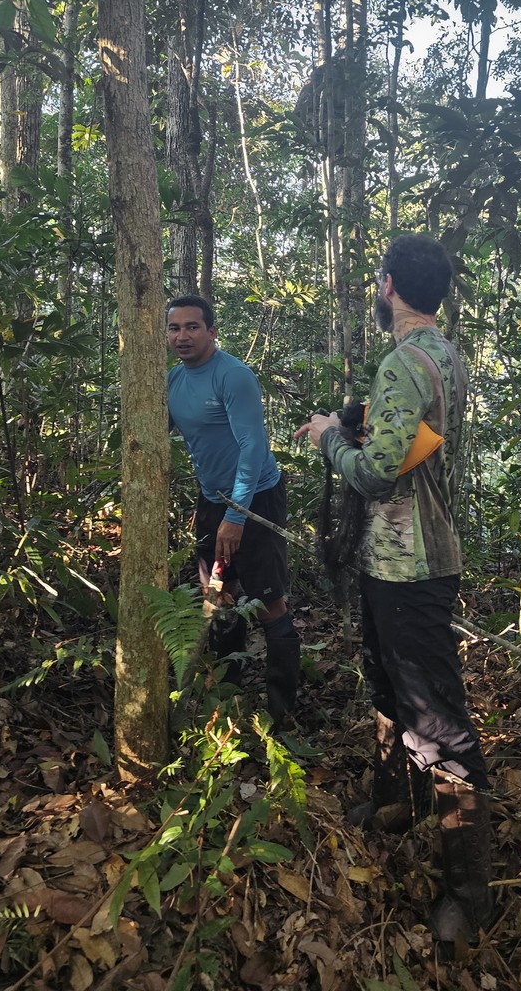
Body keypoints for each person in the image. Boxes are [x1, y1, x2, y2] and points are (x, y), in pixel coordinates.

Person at [295, 234, 494, 945]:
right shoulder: (442, 353)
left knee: (437, 721)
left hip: (411, 567)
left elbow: (378, 472)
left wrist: (327, 437)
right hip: (396, 562)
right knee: (384, 682)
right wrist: (360, 415)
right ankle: (393, 800)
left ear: (387, 286)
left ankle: (468, 892)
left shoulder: (403, 361)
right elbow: (408, 436)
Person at [166, 295, 300, 725]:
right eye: (174, 328)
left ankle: (283, 714)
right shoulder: (173, 380)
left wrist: (237, 516)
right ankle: (228, 697)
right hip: (211, 498)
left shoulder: (234, 376)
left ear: (211, 332)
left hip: (256, 497)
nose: (182, 336)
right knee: (219, 596)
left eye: (192, 327)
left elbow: (253, 446)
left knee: (268, 602)